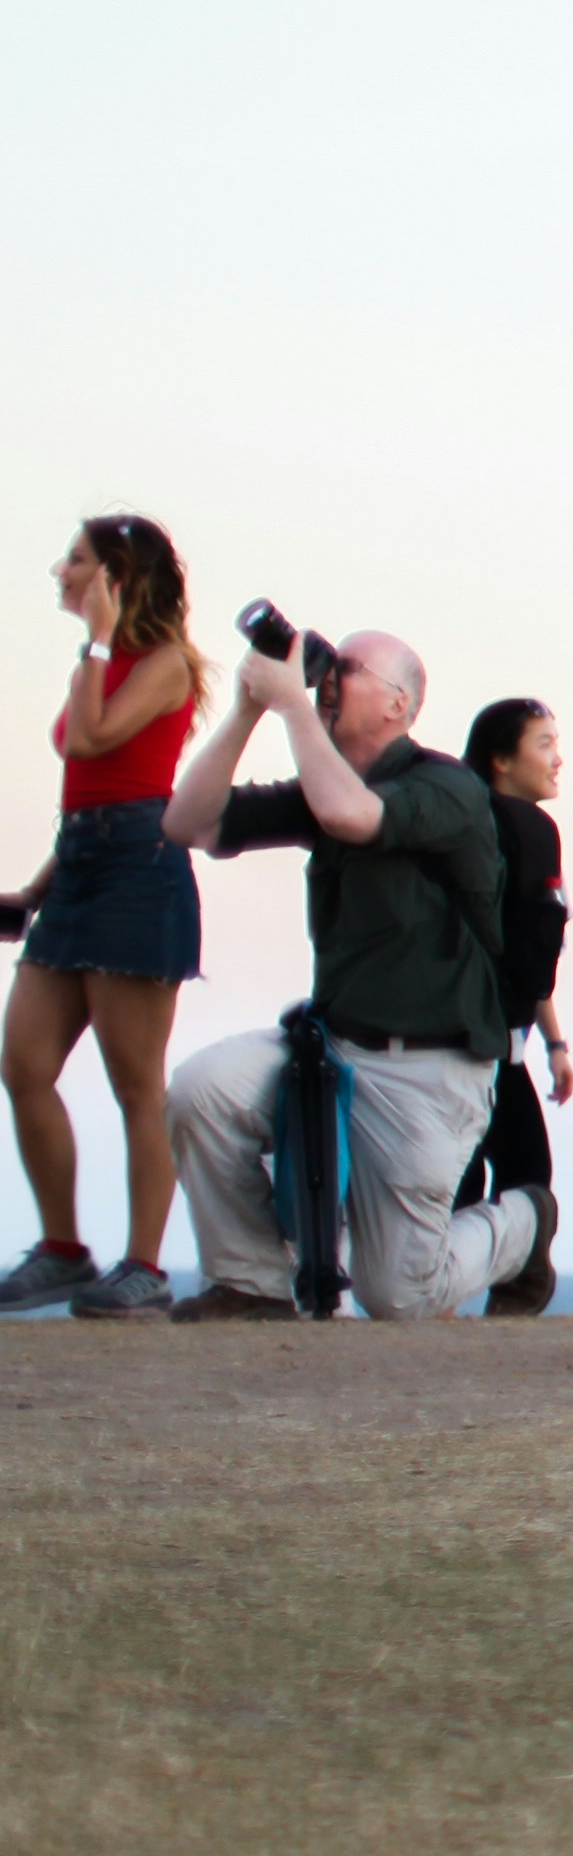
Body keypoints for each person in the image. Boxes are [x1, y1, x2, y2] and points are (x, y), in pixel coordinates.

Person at [155, 624, 550, 1319]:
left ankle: (525, 1223)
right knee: (203, 1090)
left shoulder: (446, 787)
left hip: (430, 1067)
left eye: (350, 668)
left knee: (400, 1296)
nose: (330, 678)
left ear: (399, 704)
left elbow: (352, 815)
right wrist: (251, 707)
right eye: (328, 667)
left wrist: (296, 707)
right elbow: (188, 822)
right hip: (334, 1048)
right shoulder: (325, 780)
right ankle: (251, 1284)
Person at [4, 519, 205, 1318]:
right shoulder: (102, 660)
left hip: (137, 873)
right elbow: (87, 792)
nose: (61, 569)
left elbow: (89, 743)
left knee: (135, 1086)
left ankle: (144, 1269)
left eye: (77, 560)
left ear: (116, 577)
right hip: (82, 864)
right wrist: (34, 890)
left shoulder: (162, 664)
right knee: (22, 1066)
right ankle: (62, 1250)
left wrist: (97, 639)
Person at [451, 698, 573, 1228]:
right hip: (480, 1047)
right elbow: (529, 947)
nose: (557, 760)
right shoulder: (527, 828)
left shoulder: (488, 825)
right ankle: (462, 1298)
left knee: (477, 1180)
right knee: (521, 1182)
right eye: (544, 744)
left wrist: (554, 1044)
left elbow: (531, 952)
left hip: (500, 1043)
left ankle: (453, 1302)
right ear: (501, 760)